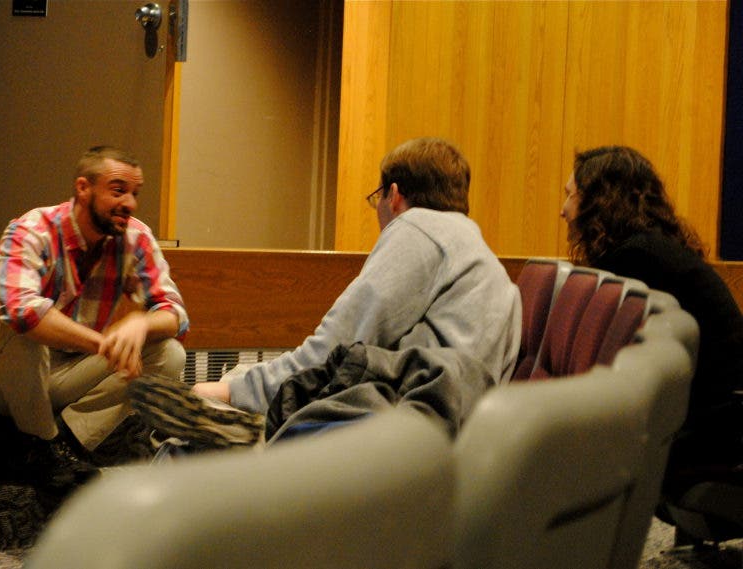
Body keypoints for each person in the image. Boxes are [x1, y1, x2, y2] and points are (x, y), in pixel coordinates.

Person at [130, 137, 521, 447]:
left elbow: (337, 346)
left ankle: (251, 431)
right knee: (245, 379)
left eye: (377, 199)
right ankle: (247, 424)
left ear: (395, 195)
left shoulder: (417, 229)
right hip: (453, 424)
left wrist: (233, 391)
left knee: (215, 406)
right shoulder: (487, 263)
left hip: (395, 418)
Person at [0, 145, 189, 489]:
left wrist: (141, 323)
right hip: (0, 377)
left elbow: (175, 314)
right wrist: (103, 344)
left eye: (135, 193)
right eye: (118, 190)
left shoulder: (136, 238)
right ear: (84, 188)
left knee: (169, 353)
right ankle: (40, 442)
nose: (129, 203)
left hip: (70, 372)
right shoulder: (32, 229)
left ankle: (64, 443)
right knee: (22, 331)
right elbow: (22, 312)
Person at [561, 145, 743, 499]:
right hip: (719, 414)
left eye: (571, 195)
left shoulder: (635, 259)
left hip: (715, 426)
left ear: (600, 201)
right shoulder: (648, 249)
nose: (563, 209)